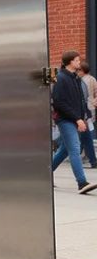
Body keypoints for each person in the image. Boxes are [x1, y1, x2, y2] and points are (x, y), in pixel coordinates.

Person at [52, 51, 97, 194]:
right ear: (70, 62)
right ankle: (82, 183)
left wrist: (83, 118)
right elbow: (59, 103)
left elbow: (80, 101)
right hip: (65, 120)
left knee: (65, 150)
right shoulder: (60, 78)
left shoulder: (75, 78)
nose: (79, 62)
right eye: (77, 60)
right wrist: (77, 119)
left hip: (75, 119)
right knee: (74, 148)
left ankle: (43, 175)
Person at [78, 61, 97, 167]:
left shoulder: (84, 80)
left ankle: (83, 155)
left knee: (85, 134)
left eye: (79, 70)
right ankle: (87, 157)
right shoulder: (91, 79)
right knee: (86, 134)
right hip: (88, 109)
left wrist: (94, 102)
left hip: (86, 109)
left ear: (82, 70)